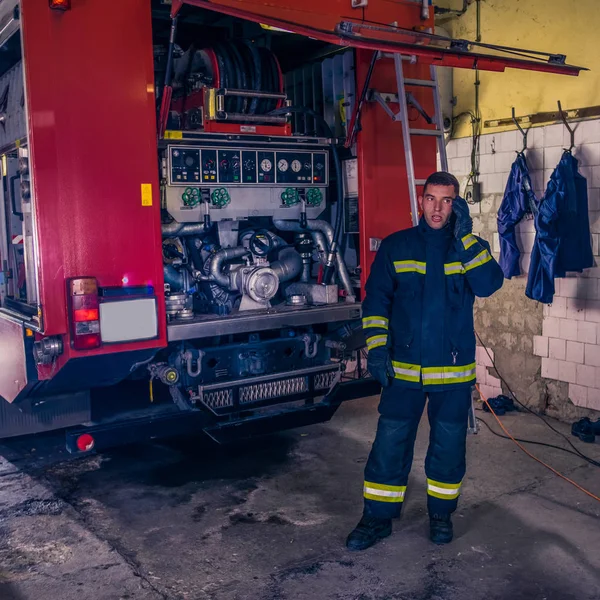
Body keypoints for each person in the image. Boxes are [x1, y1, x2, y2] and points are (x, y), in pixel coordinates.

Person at [346, 171, 504, 551]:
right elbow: (376, 302)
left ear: (456, 205)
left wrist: (466, 238)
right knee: (390, 442)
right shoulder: (397, 246)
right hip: (403, 369)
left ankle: (440, 515)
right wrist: (379, 349)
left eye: (447, 201)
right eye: (431, 198)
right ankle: (376, 519)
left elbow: (489, 284)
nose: (437, 208)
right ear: (421, 201)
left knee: (448, 445)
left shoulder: (467, 246)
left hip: (451, 372)